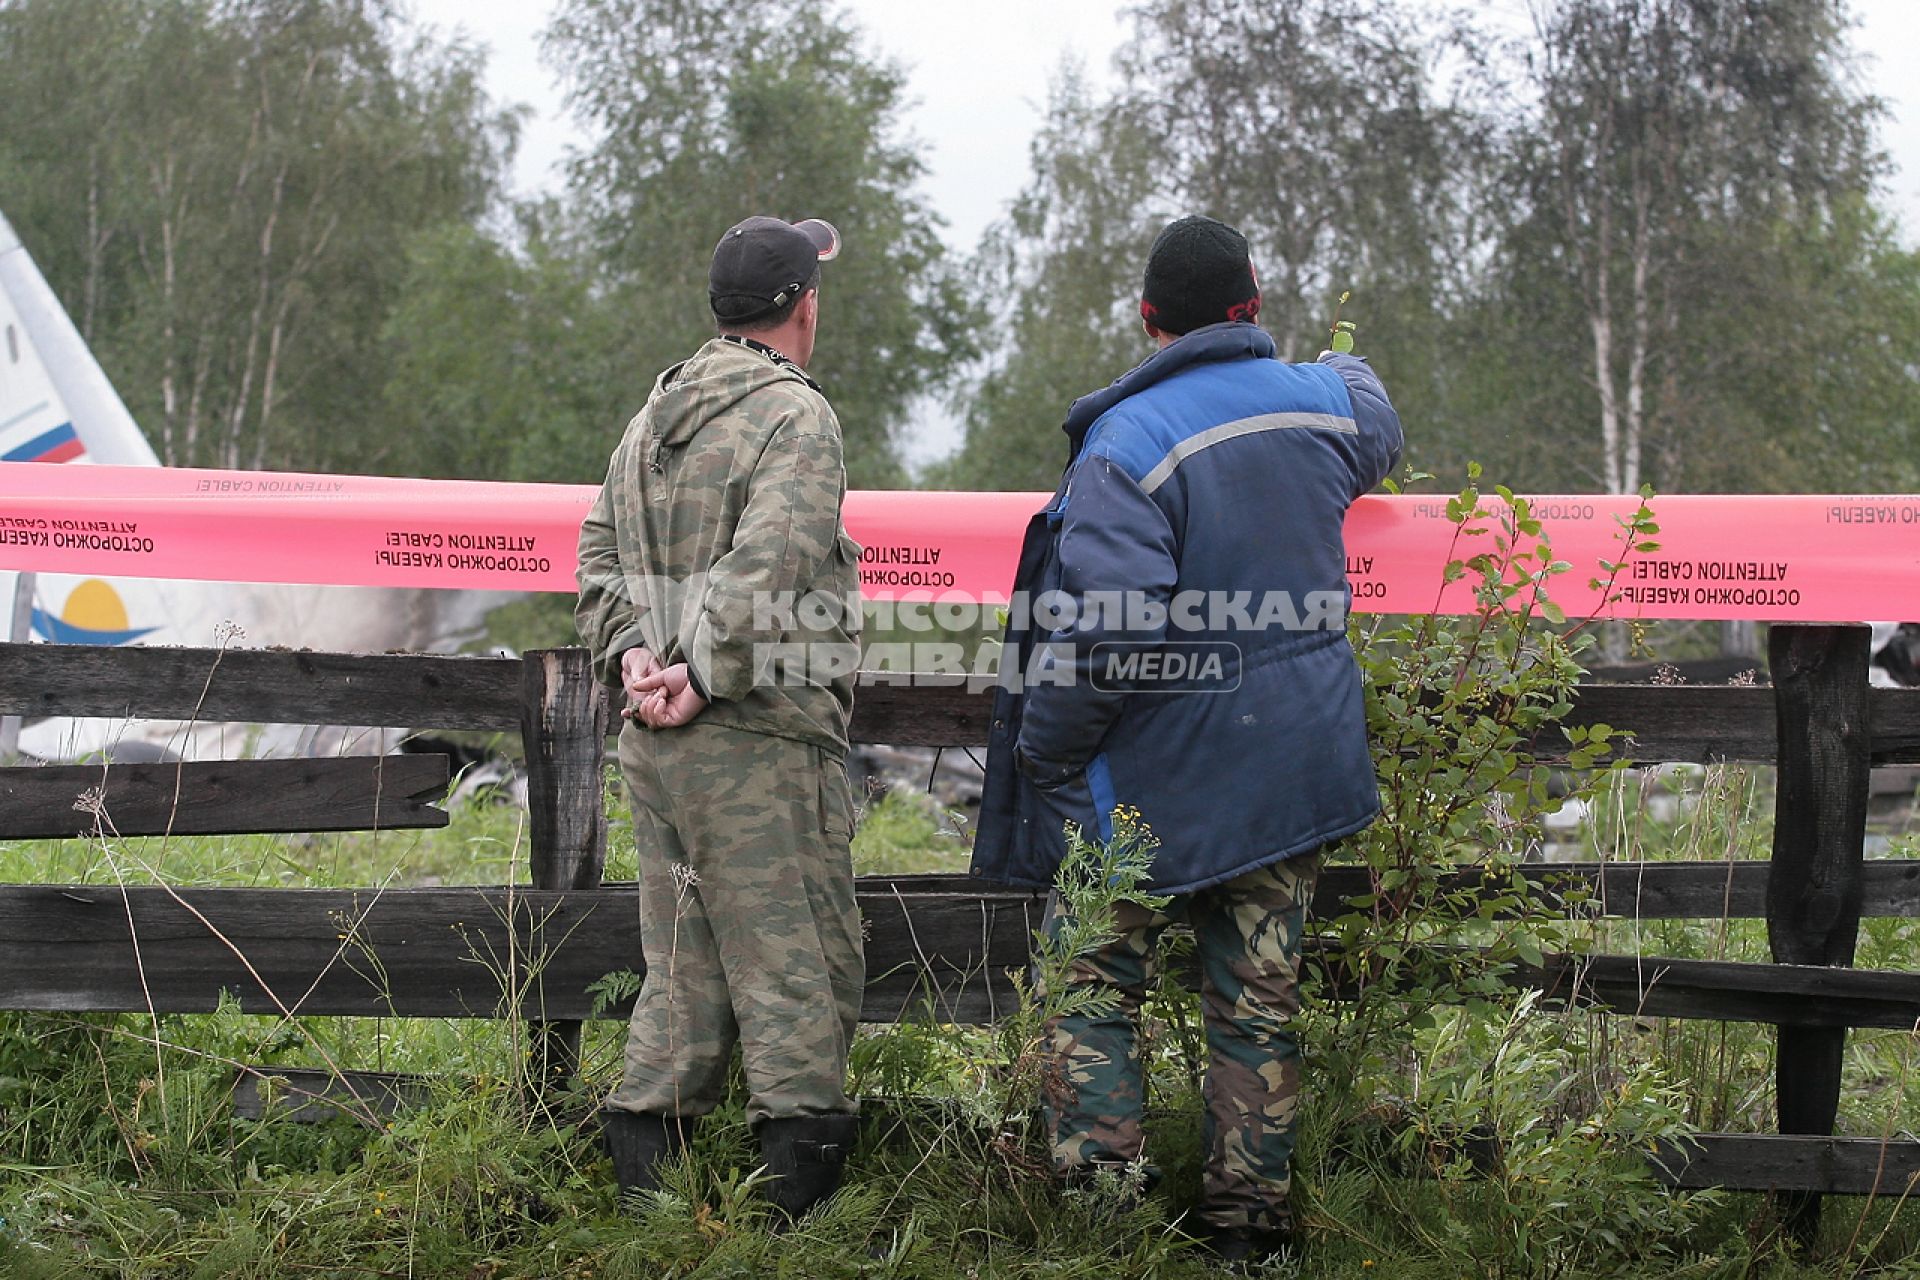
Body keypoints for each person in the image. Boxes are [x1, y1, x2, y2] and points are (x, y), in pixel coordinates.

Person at [971, 215, 1403, 1263]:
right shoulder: (1322, 405)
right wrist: (1338, 356)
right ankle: (1248, 1237)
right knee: (1258, 1002)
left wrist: (1048, 751)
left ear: (1147, 319)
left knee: (1094, 986)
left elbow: (1111, 621)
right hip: (1293, 768)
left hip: (1147, 787)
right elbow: (1375, 409)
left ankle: (1104, 1223)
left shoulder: (1126, 444)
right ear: (1252, 307)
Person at [575, 214, 866, 1220]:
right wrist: (704, 672)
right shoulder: (795, 417)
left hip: (656, 743)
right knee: (799, 967)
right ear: (802, 304)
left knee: (683, 966)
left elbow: (598, 554)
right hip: (762, 739)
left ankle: (653, 1214)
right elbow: (772, 562)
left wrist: (637, 657)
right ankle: (794, 1228)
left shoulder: (652, 414)